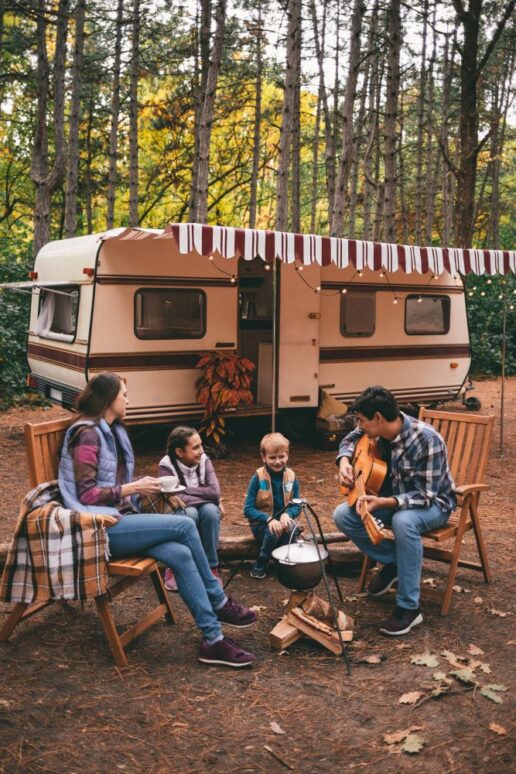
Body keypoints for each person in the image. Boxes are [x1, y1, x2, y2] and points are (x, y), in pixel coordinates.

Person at [57, 371, 257, 667]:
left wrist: (141, 484)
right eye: (124, 395)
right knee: (185, 523)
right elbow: (86, 495)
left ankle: (212, 640)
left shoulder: (108, 431)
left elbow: (109, 484)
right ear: (109, 398)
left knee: (181, 554)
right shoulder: (87, 433)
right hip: (99, 529)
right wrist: (134, 487)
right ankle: (219, 600)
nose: (128, 400)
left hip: (119, 518)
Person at [333, 385, 456, 636]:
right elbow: (350, 439)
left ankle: (409, 608)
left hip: (433, 505)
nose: (360, 425)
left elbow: (426, 496)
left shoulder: (427, 439)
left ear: (379, 418)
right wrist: (345, 461)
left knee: (403, 521)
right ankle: (397, 562)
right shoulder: (374, 430)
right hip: (391, 498)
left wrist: (385, 502)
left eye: (362, 420)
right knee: (343, 515)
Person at [158, 426, 223, 592]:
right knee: (189, 515)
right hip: (177, 509)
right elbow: (169, 496)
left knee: (210, 512)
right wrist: (205, 494)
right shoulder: (166, 464)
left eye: (201, 445)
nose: (201, 450)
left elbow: (215, 492)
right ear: (180, 452)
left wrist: (182, 490)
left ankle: (211, 566)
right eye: (195, 447)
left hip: (202, 505)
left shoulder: (204, 460)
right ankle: (174, 566)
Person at [244, 432, 302, 579]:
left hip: (283, 521)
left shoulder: (292, 476)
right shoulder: (258, 477)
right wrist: (268, 519)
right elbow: (248, 509)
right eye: (272, 457)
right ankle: (261, 562)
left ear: (287, 455)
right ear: (264, 457)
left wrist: (287, 514)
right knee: (274, 531)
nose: (277, 461)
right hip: (262, 524)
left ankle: (284, 563)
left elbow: (297, 504)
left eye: (281, 456)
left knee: (291, 529)